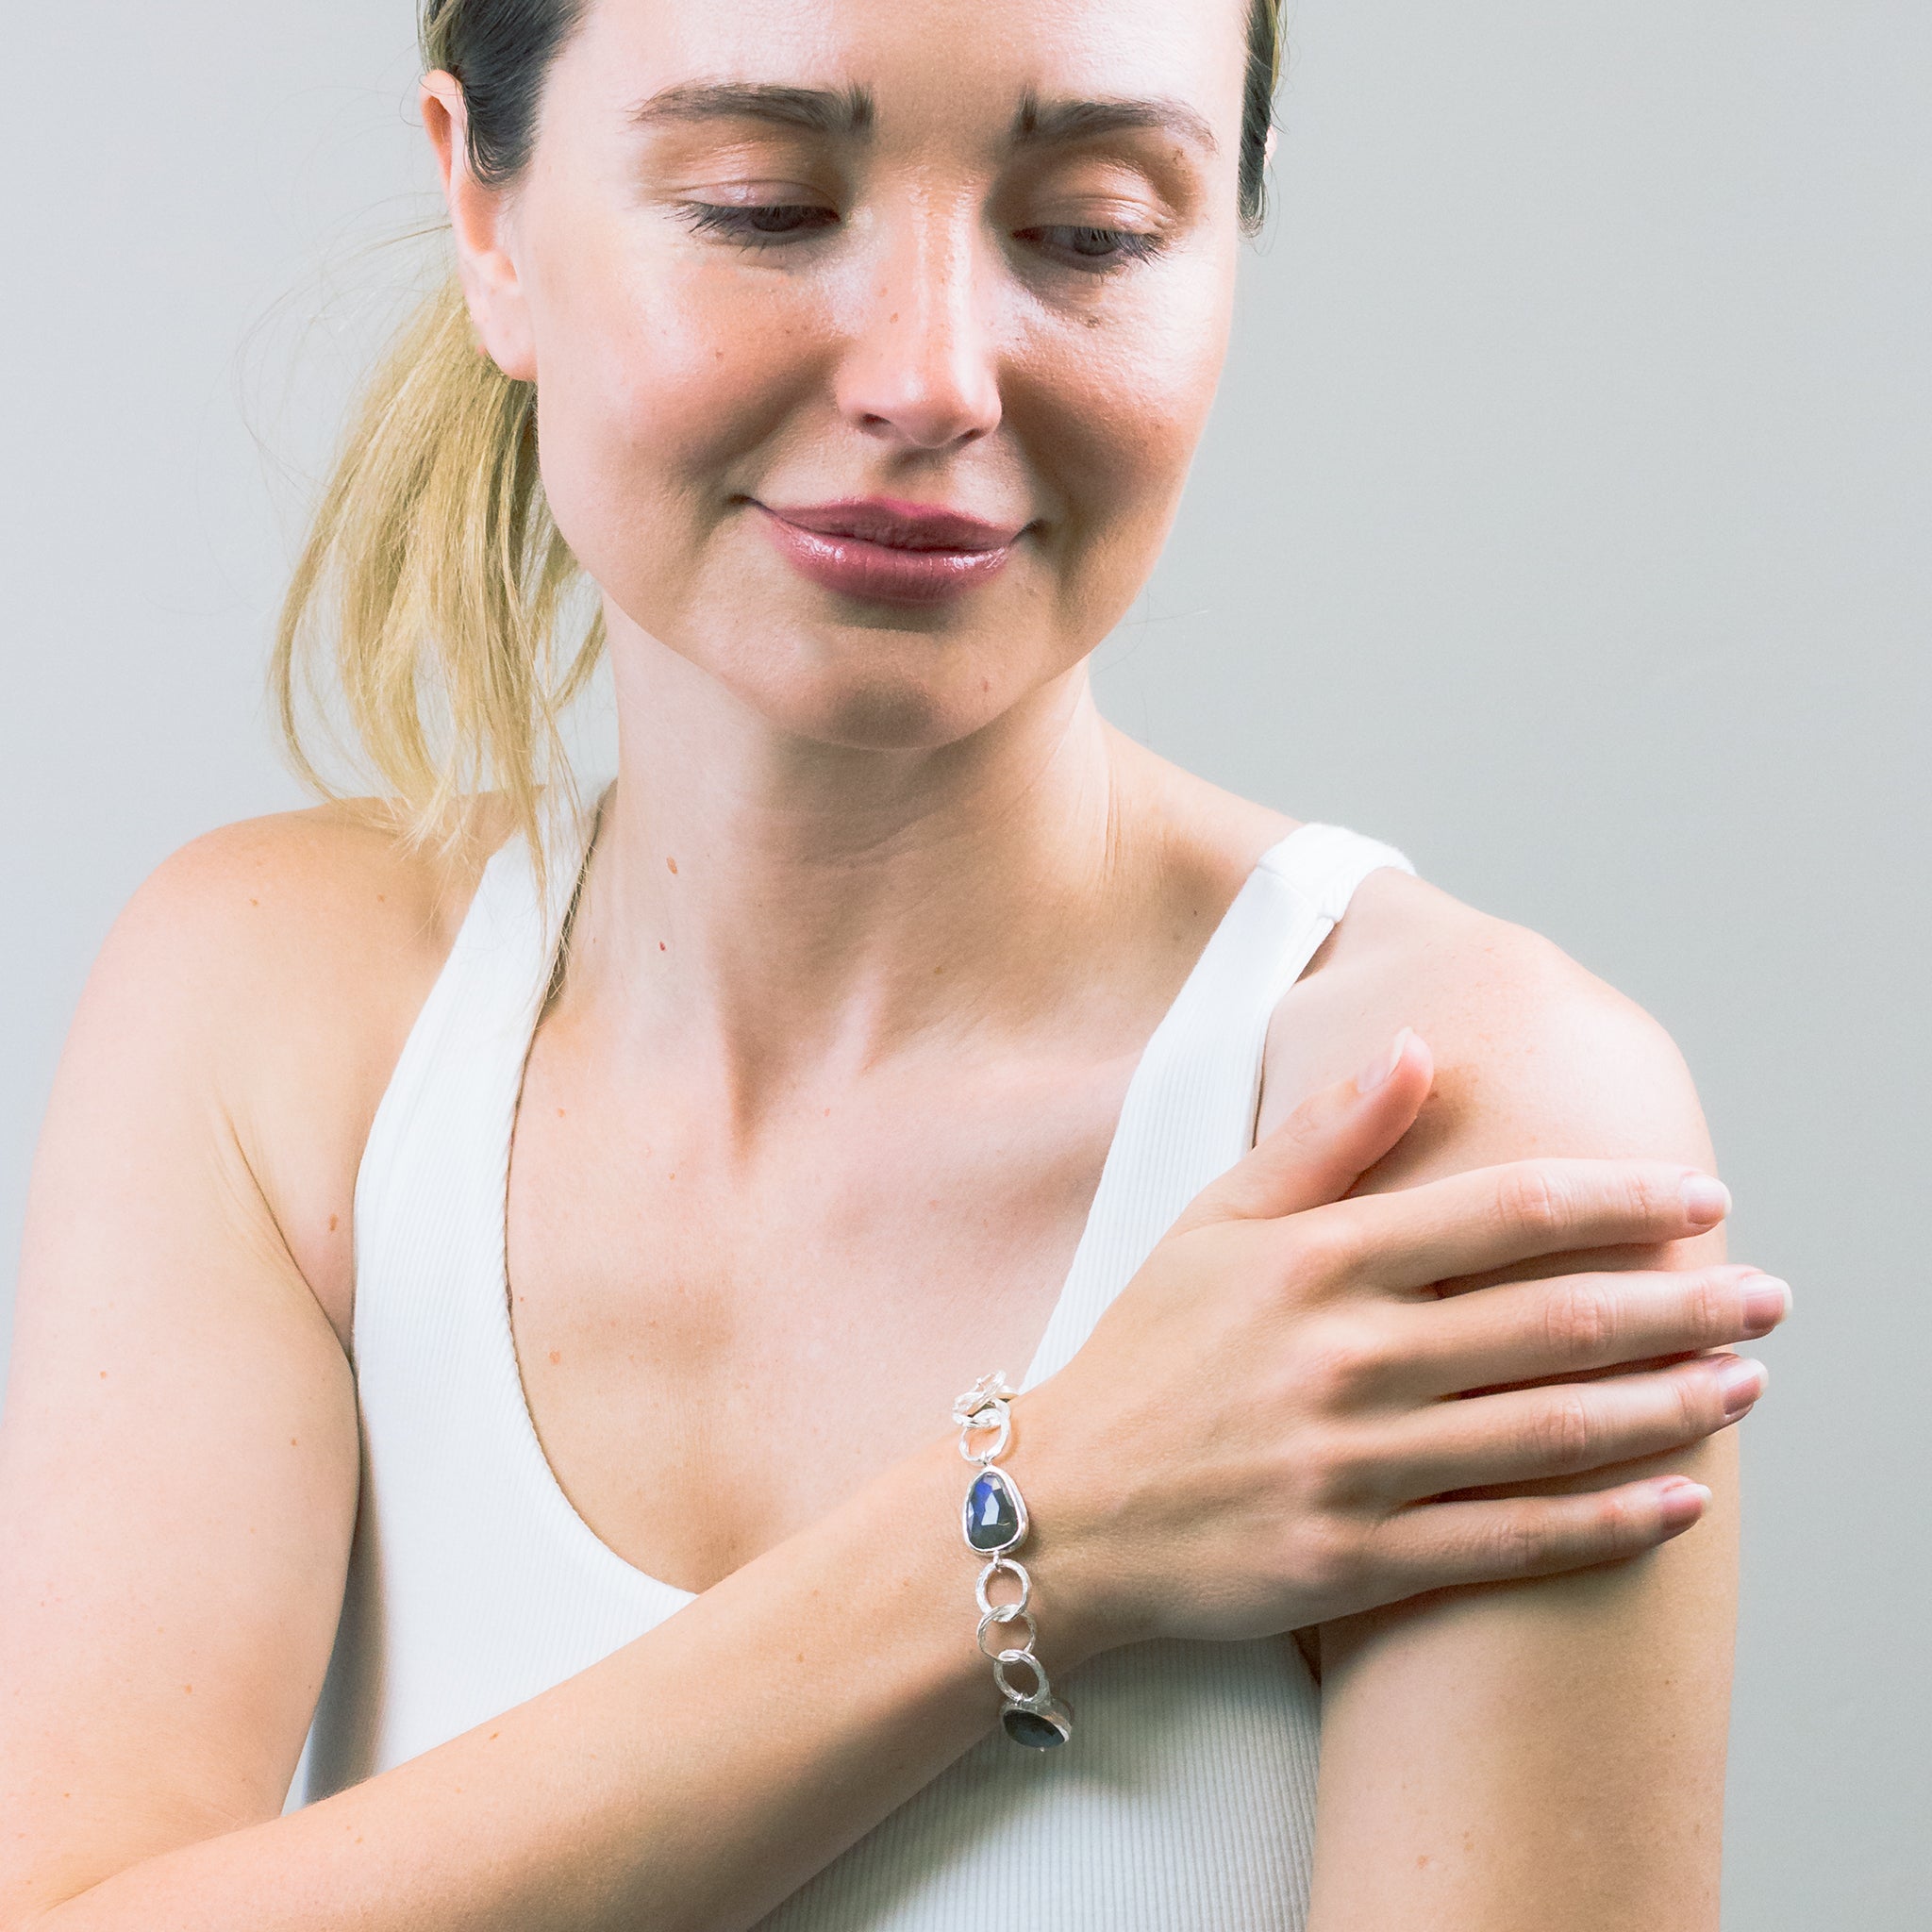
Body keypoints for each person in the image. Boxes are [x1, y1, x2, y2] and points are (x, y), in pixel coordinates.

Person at [0, 1, 1788, 1926]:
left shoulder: (1440, 1132)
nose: (932, 375)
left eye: (1092, 229)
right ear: (486, 216)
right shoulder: (281, 1018)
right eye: (765, 203)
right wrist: (1036, 1531)